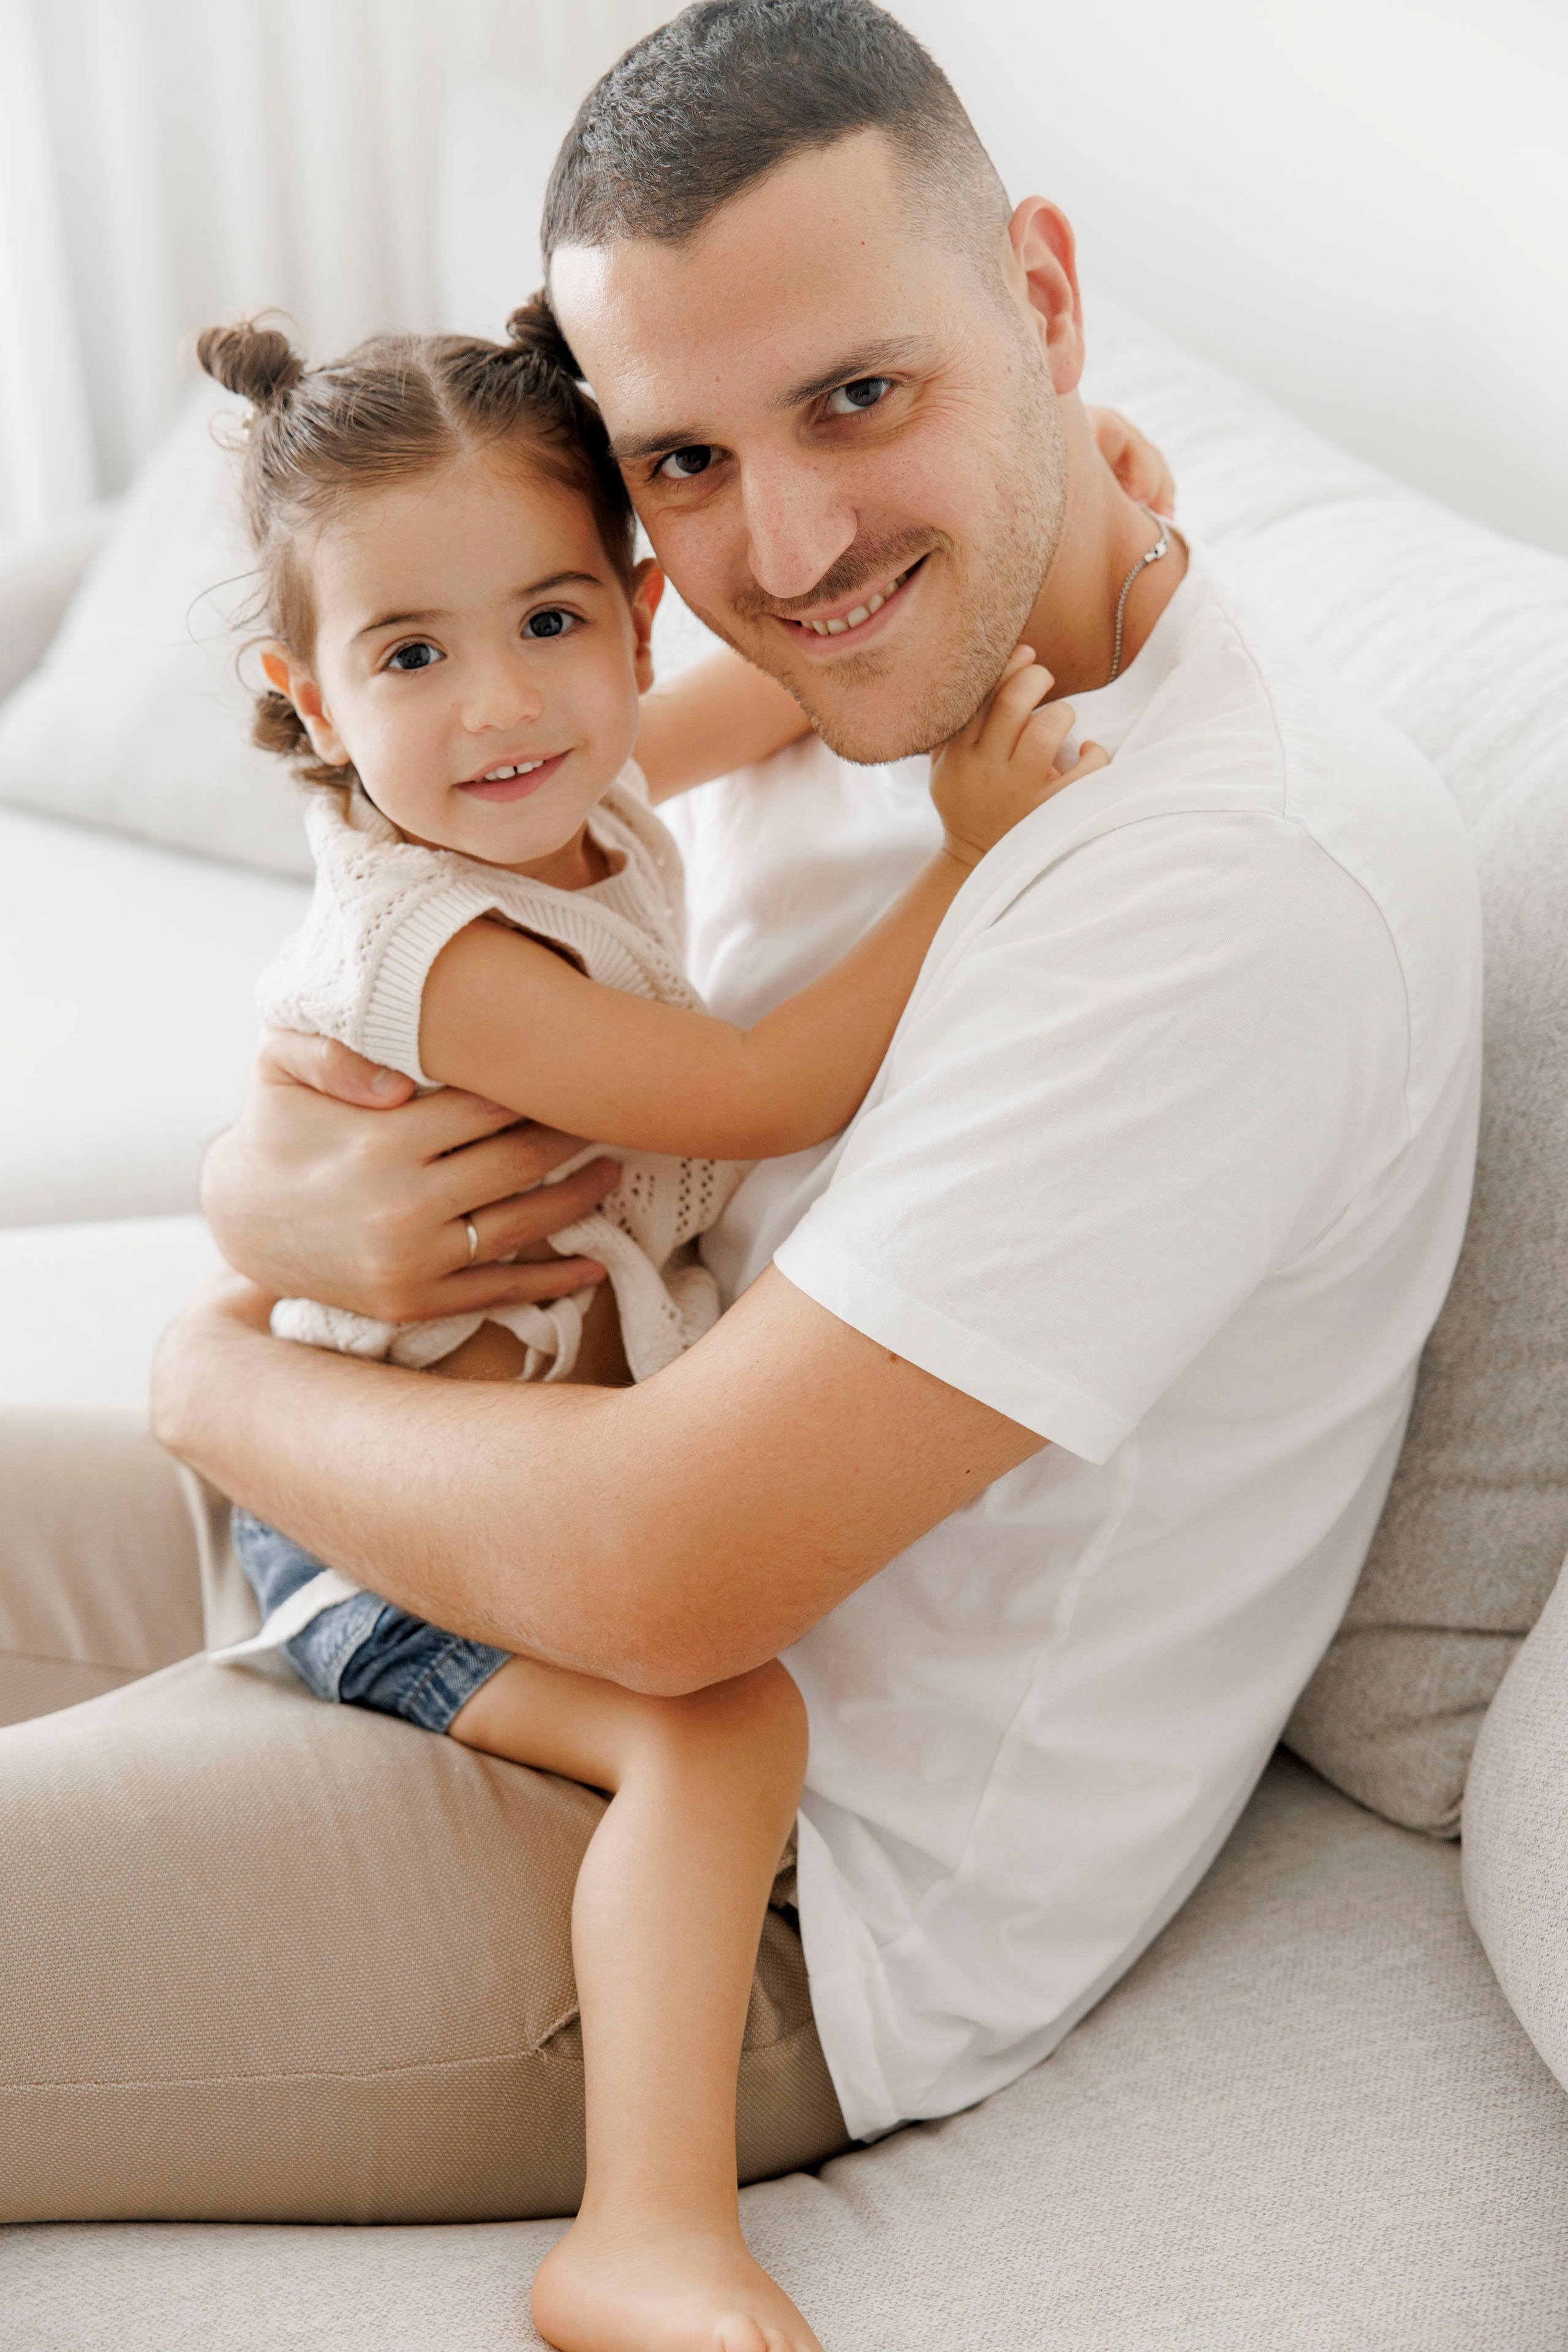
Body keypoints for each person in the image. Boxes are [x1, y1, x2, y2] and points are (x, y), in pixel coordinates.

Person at [0, 0, 1480, 2339]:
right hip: (476, 1517)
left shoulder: (1231, 885)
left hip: (745, 1866)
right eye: (682, 456)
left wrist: (211, 1351)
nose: (782, 542)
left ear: (1047, 296)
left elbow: (682, 1579)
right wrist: (268, 1196)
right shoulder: (845, 654)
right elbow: (452, 971)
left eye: (860, 397)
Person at [186, 299, 1098, 2352]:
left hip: (477, 1475)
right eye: (411, 656)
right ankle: (645, 2228)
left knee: (729, 1705)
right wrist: (978, 856)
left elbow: (773, 708)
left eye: (550, 622)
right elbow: (765, 1096)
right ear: (307, 698)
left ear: (631, 615)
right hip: (370, 1530)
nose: (503, 704)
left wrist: (1052, 519)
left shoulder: (562, 789)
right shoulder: (443, 943)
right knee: (729, 1727)